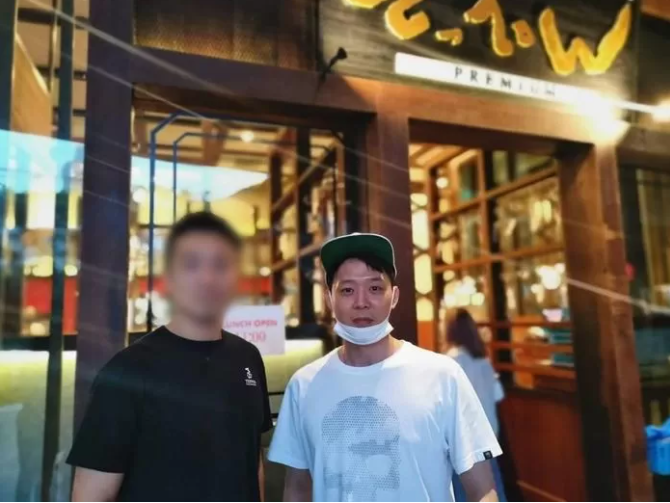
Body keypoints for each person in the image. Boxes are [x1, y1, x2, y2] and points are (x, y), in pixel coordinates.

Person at [268, 233, 502, 502]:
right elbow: (297, 488)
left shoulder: (443, 375)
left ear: (395, 296)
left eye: (375, 288)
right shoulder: (304, 385)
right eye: (347, 290)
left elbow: (482, 491)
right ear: (329, 299)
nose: (361, 302)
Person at [67, 212, 272, 502]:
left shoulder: (247, 358)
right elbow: (91, 496)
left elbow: (253, 462)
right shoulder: (126, 371)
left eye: (220, 265)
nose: (207, 278)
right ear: (170, 279)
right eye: (192, 264)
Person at [446, 309, 506, 502]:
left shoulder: (450, 362)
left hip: (464, 446)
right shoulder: (484, 362)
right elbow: (498, 395)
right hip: (489, 441)